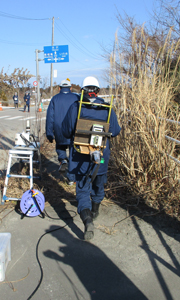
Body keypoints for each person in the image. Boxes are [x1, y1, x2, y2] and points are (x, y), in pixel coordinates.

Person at [62, 76, 121, 241]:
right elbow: (115, 131)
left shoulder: (77, 107)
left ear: (83, 91)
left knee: (82, 190)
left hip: (80, 156)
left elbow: (66, 131)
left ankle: (87, 220)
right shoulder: (107, 108)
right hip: (101, 155)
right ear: (98, 91)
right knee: (99, 182)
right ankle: (95, 211)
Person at [46, 79, 78, 184]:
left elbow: (50, 118)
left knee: (60, 146)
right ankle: (71, 178)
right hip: (74, 129)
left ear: (59, 88)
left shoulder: (55, 99)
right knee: (74, 153)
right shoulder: (76, 98)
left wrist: (49, 134)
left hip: (59, 129)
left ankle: (63, 159)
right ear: (71, 88)